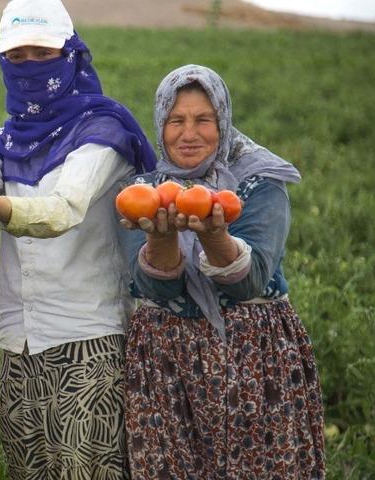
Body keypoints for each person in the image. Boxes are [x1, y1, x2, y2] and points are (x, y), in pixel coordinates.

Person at [0, 0, 157, 477]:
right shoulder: (11, 137)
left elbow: (62, 210)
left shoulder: (102, 132)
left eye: (42, 53)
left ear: (70, 54)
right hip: (19, 342)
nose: (29, 65)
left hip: (87, 339)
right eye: (17, 56)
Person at [118, 64, 325, 478]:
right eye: (176, 120)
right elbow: (153, 289)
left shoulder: (259, 182)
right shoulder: (141, 193)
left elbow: (252, 277)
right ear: (160, 124)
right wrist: (161, 238)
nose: (189, 134)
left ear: (223, 122)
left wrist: (215, 236)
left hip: (252, 355)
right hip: (165, 361)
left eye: (203, 120)